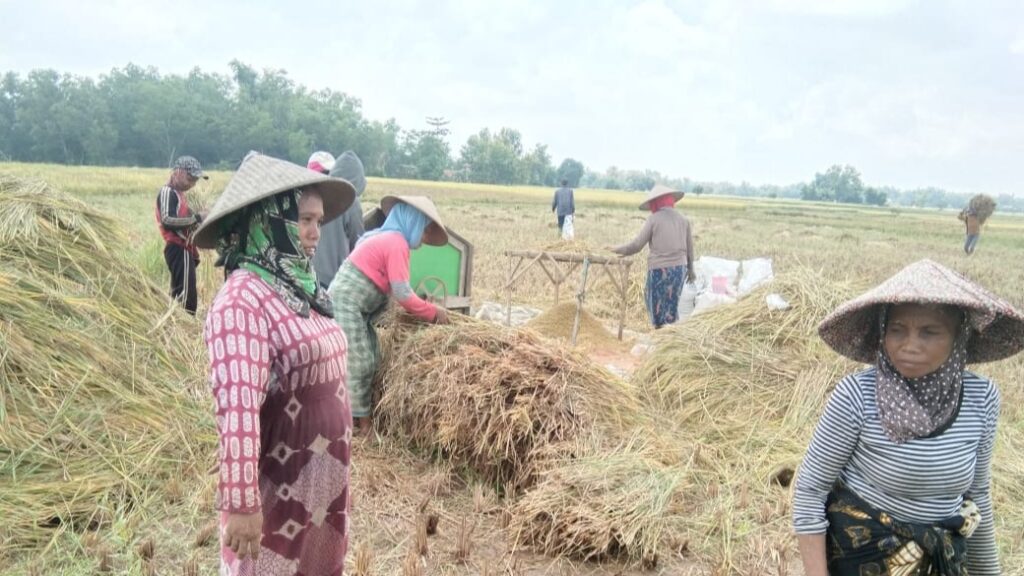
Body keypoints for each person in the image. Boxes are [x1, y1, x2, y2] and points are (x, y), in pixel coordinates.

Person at [793, 259, 1024, 576]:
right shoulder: (857, 395)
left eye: (929, 332)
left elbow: (977, 494)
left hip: (941, 558)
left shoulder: (981, 398)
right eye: (897, 330)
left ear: (959, 338)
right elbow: (810, 491)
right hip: (862, 556)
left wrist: (988, 573)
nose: (909, 345)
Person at [192, 152, 357, 576]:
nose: (314, 233)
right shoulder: (241, 300)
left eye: (319, 222)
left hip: (320, 487)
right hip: (276, 491)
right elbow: (238, 408)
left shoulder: (301, 287)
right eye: (304, 219)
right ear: (270, 219)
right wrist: (242, 502)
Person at [328, 195, 450, 435]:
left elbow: (397, 290)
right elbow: (403, 294)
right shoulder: (396, 243)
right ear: (412, 223)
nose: (425, 239)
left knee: (373, 355)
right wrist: (434, 313)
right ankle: (358, 426)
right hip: (346, 303)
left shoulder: (389, 239)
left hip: (360, 311)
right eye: (424, 231)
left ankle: (356, 418)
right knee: (359, 361)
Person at [608, 184, 695, 329]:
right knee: (672, 306)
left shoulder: (653, 219)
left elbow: (636, 245)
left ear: (655, 202)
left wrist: (616, 249)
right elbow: (690, 249)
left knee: (656, 306)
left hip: (659, 271)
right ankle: (670, 336)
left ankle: (661, 335)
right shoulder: (683, 220)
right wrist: (691, 270)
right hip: (679, 270)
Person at [155, 155, 208, 315]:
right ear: (178, 172)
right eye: (190, 178)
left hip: (184, 249)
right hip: (177, 248)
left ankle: (177, 322)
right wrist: (197, 218)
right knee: (186, 297)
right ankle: (183, 325)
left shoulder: (180, 195)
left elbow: (186, 219)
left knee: (182, 292)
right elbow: (167, 220)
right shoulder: (167, 192)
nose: (192, 184)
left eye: (195, 181)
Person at [312, 151, 367, 290]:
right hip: (334, 278)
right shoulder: (351, 201)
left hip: (310, 273)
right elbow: (359, 244)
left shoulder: (317, 194)